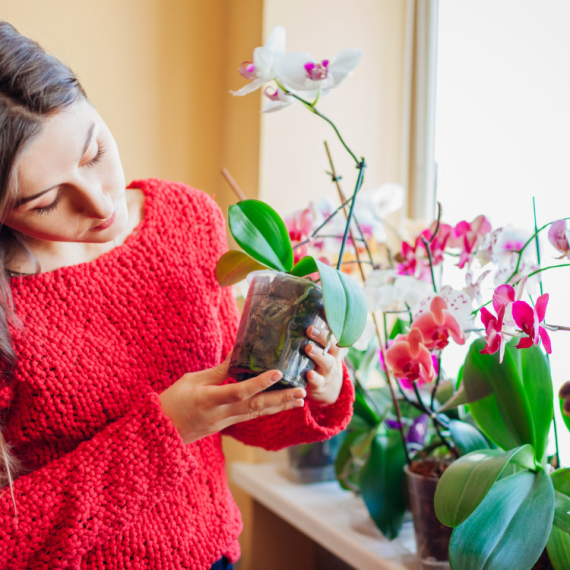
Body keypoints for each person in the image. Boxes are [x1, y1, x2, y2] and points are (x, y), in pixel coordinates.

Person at [0, 21, 355, 570]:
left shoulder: (186, 219)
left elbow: (238, 410)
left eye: (94, 152)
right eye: (47, 201)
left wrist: (315, 386)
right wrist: (164, 430)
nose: (99, 204)